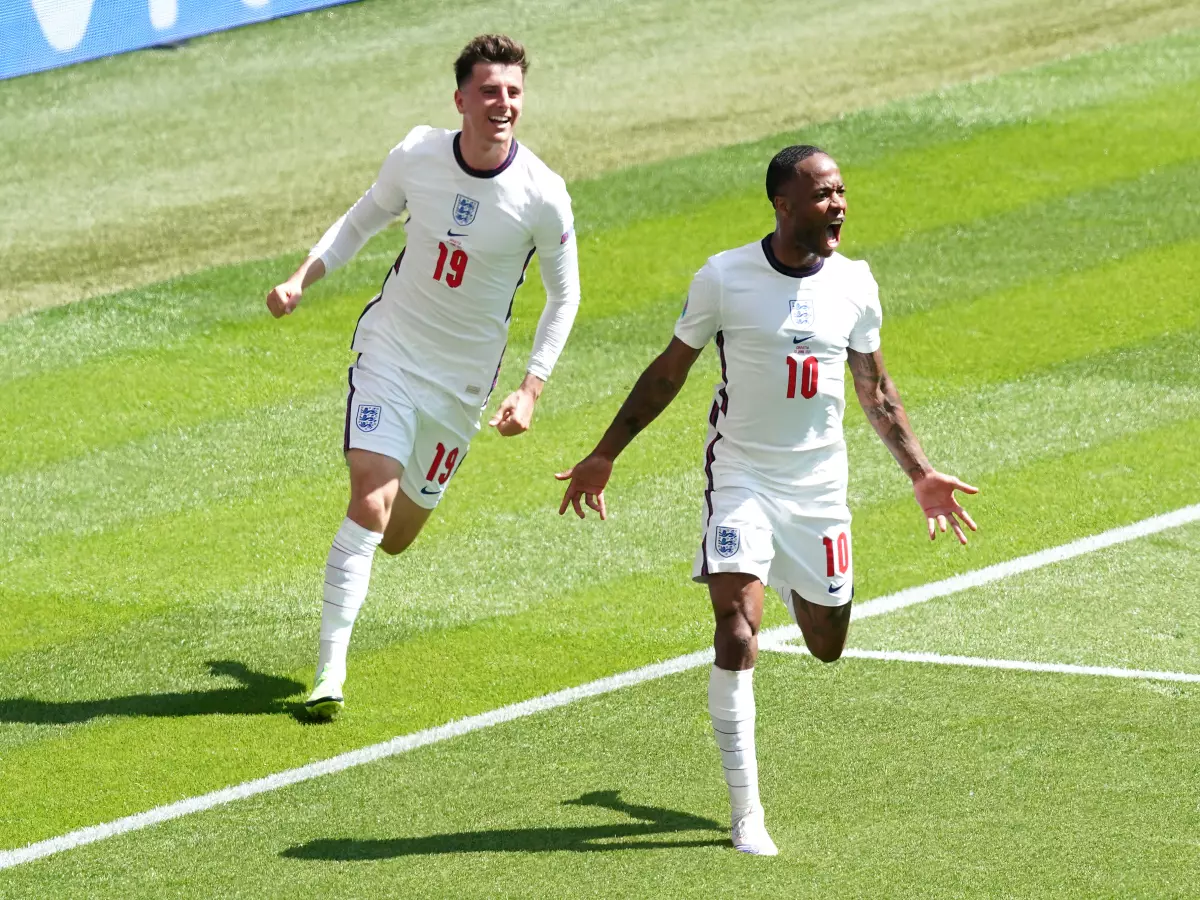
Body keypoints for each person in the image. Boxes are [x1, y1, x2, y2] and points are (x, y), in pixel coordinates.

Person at [556, 145, 977, 855]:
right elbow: (668, 372)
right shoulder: (725, 278)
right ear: (783, 205)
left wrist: (920, 473)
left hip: (818, 489)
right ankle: (747, 813)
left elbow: (875, 389)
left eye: (841, 190)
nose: (837, 204)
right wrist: (604, 454)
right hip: (742, 477)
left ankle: (781, 574)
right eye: (821, 194)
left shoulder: (855, 284)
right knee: (736, 631)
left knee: (827, 643)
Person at [266, 34, 580, 719]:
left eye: (515, 93)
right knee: (370, 503)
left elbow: (565, 297)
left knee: (399, 534)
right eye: (491, 91)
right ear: (461, 98)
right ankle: (328, 672)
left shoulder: (542, 196)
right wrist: (302, 277)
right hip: (392, 354)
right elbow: (362, 220)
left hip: (460, 388)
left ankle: (339, 625)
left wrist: (531, 387)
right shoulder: (417, 154)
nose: (504, 104)